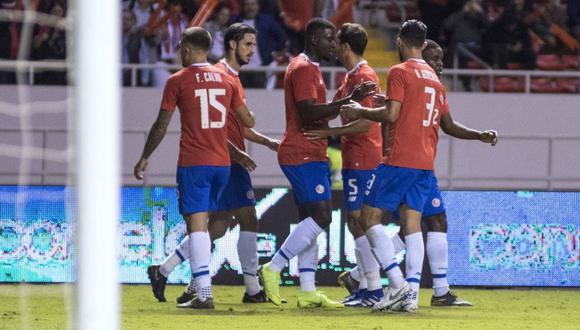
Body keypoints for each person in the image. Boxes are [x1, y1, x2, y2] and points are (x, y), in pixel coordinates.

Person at [341, 21, 498, 313]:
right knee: (412, 226)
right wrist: (479, 134)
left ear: (400, 41)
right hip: (425, 164)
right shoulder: (436, 81)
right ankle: (411, 296)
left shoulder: (400, 71)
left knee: (368, 219)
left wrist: (359, 110)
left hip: (399, 159)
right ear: (424, 45)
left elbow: (391, 114)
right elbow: (446, 124)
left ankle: (398, 285)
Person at [151, 23, 281, 307]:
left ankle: (170, 272)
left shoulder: (228, 77)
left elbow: (239, 127)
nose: (252, 50)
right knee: (244, 219)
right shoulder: (220, 75)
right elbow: (219, 130)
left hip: (223, 158)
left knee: (218, 226)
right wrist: (237, 153)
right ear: (232, 44)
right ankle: (250, 288)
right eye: (247, 44)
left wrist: (266, 142)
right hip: (224, 160)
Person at [133, 27, 255, 309]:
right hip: (222, 165)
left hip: (194, 162)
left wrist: (145, 156)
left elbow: (161, 124)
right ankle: (173, 275)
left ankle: (204, 294)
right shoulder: (228, 80)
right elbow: (247, 120)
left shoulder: (177, 80)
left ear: (186, 50)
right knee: (214, 225)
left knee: (198, 228)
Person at [258, 17, 375, 308]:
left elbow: (320, 111)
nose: (334, 44)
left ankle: (307, 289)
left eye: (336, 39)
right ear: (313, 40)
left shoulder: (311, 69)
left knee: (309, 220)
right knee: (323, 217)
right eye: (329, 39)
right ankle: (272, 269)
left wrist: (348, 101)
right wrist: (348, 100)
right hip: (302, 153)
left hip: (310, 152)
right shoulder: (302, 68)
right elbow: (309, 113)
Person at [302, 22, 383, 308]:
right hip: (355, 157)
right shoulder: (351, 77)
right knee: (356, 222)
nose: (333, 46)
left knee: (359, 221)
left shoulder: (364, 76)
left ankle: (373, 287)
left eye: (337, 41)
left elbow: (364, 123)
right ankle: (366, 284)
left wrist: (327, 134)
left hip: (364, 156)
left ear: (346, 46)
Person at [232, 0, 286, 88]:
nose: (250, 7)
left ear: (258, 6)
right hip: (241, 68)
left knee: (259, 97)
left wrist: (273, 51)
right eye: (247, 4)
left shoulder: (267, 20)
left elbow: (281, 37)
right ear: (243, 6)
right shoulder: (235, 21)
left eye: (253, 4)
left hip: (260, 68)